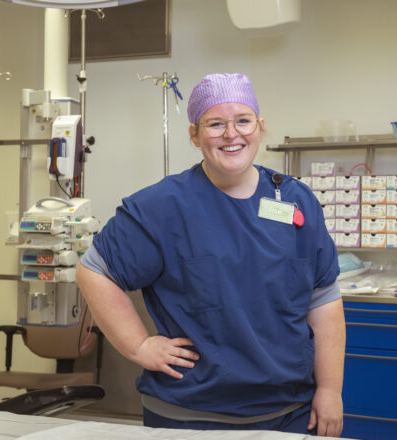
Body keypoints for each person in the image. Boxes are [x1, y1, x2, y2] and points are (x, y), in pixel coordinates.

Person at [76, 73, 345, 437]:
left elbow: (324, 299)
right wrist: (138, 345)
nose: (231, 134)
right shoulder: (161, 207)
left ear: (261, 127)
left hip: (288, 412)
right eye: (216, 124)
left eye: (243, 121)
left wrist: (329, 390)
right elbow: (95, 271)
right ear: (194, 135)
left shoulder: (297, 201)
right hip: (188, 415)